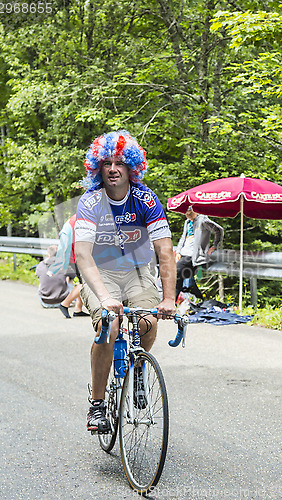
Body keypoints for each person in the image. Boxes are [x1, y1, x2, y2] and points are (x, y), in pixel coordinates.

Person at [74, 130, 176, 434]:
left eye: (120, 162)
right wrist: (105, 298)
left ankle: (138, 366)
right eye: (107, 163)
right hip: (100, 271)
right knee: (111, 324)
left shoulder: (146, 199)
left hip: (137, 270)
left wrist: (169, 299)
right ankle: (97, 404)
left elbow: (165, 251)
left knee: (147, 322)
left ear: (132, 167)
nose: (114, 169)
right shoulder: (90, 202)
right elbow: (82, 254)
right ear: (98, 168)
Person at [175, 205, 224, 301]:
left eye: (188, 213)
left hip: (193, 256)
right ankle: (175, 304)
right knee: (179, 280)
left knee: (175, 274)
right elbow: (183, 237)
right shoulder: (187, 222)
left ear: (193, 211)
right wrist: (178, 251)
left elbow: (219, 230)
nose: (186, 215)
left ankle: (174, 302)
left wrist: (214, 246)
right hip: (184, 254)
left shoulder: (202, 220)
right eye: (185, 214)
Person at [47, 214, 89, 318]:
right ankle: (64, 304)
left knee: (83, 283)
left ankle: (78, 309)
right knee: (85, 285)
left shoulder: (80, 218)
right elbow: (65, 244)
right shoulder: (75, 221)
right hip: (74, 259)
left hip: (78, 257)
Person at [36, 244, 86, 317]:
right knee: (78, 284)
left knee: (42, 282)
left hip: (45, 302)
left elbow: (39, 276)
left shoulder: (40, 265)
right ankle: (77, 309)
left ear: (47, 254)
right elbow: (76, 277)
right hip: (61, 300)